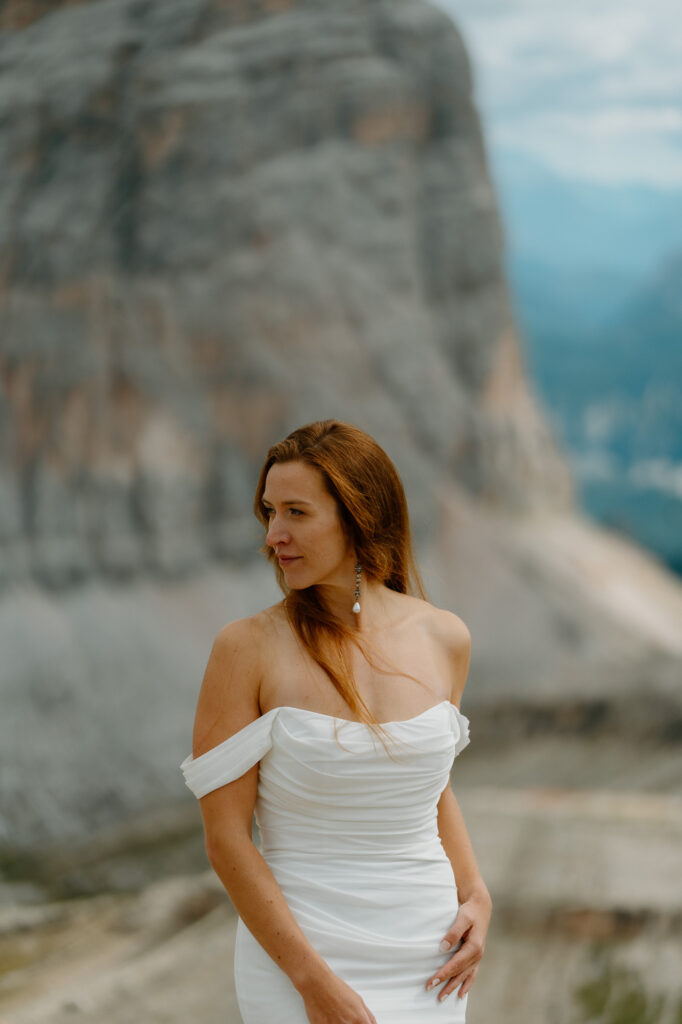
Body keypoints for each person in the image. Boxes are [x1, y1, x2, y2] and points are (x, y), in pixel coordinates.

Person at [180, 419, 492, 1024]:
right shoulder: (246, 648)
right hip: (299, 956)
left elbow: (430, 788)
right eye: (269, 512)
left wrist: (477, 893)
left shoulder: (445, 636)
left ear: (358, 515)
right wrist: (310, 981)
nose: (274, 535)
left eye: (297, 512)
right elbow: (225, 840)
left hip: (429, 955)